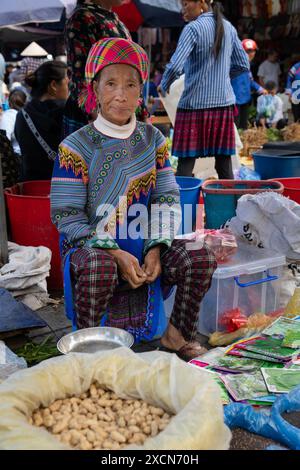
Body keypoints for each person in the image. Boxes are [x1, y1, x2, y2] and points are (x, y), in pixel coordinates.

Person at [50, 37, 217, 360]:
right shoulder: (75, 146)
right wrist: (115, 253)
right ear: (94, 88)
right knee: (99, 265)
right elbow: (66, 215)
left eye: (130, 84)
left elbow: (167, 198)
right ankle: (87, 349)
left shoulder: (153, 139)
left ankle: (176, 336)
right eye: (110, 83)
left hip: (144, 246)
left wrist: (155, 248)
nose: (120, 94)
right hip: (91, 251)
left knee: (200, 256)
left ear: (140, 91)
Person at [158, 0, 249, 179]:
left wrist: (164, 85)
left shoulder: (193, 29)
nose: (182, 10)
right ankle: (228, 205)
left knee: (186, 164)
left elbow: (175, 66)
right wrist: (222, 77)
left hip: (193, 106)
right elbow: (243, 64)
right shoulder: (228, 27)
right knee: (224, 164)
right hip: (223, 107)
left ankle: (183, 206)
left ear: (201, 2)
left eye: (185, 4)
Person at [63, 0, 130, 137]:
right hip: (96, 117)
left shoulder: (113, 18)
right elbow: (81, 77)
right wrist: (99, 121)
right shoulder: (82, 18)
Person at [15, 61, 69, 181]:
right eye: (67, 83)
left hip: (31, 190)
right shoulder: (69, 114)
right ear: (54, 85)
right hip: (64, 189)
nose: (69, 89)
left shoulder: (22, 115)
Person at [232, 39, 266, 130]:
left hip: (245, 99)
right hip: (235, 101)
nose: (251, 54)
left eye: (253, 51)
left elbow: (250, 81)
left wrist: (260, 89)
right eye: (248, 51)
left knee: (244, 126)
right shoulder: (233, 64)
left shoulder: (247, 66)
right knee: (235, 126)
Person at [0, 89, 26, 155]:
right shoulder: (30, 114)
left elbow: (4, 141)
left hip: (16, 159)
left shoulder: (8, 116)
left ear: (9, 103)